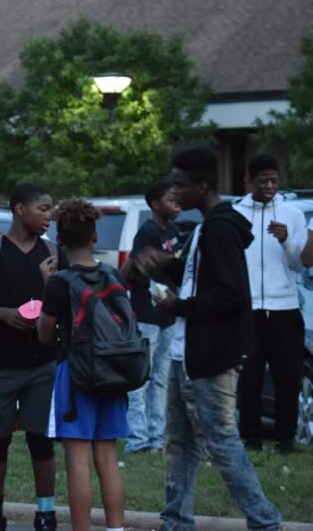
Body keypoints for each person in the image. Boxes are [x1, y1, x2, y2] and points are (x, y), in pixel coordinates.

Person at [137, 146, 282, 531]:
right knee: (181, 444)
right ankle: (175, 521)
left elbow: (232, 293)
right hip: (187, 353)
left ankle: (266, 522)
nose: (176, 192)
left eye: (181, 185)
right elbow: (203, 277)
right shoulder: (206, 226)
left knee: (221, 442)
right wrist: (169, 264)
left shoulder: (219, 229)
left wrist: (177, 307)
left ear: (202, 186)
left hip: (210, 357)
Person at [0, 183, 63, 531]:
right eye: (43, 208)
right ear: (20, 209)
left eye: (51, 209)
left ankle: (45, 513)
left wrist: (51, 286)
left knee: (41, 441)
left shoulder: (52, 253)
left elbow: (64, 306)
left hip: (43, 364)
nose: (49, 216)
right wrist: (5, 315)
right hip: (0, 364)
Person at [37, 199, 127, 531]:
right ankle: (116, 528)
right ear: (94, 238)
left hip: (74, 375)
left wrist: (46, 287)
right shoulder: (112, 274)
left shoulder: (60, 282)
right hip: (114, 373)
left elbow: (45, 335)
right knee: (108, 458)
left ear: (59, 240)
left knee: (78, 461)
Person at [234, 153, 308, 454]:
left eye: (274, 180)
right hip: (248, 309)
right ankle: (251, 439)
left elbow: (299, 265)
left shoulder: (292, 214)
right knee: (249, 377)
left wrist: (287, 240)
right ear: (249, 180)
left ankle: (285, 439)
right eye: (263, 180)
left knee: (287, 376)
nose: (269, 185)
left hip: (285, 308)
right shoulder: (236, 213)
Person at [119, 181, 180, 453]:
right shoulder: (147, 231)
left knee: (161, 379)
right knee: (140, 379)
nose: (177, 202)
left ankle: (157, 438)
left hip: (169, 316)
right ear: (156, 204)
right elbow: (130, 269)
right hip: (147, 315)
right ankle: (137, 440)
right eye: (171, 198)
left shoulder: (173, 229)